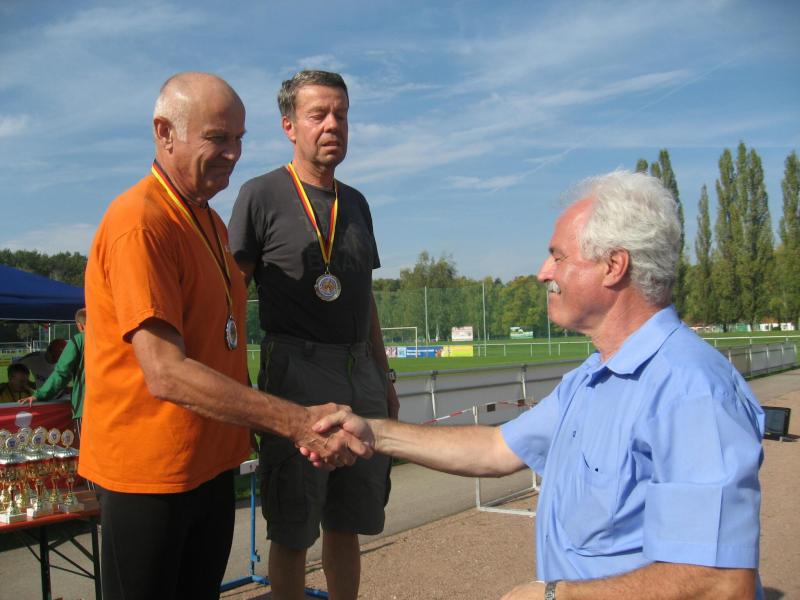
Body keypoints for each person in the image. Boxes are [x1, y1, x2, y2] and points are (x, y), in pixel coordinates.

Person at [306, 170, 765, 600]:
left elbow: (722, 581)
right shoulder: (590, 379)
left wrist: (556, 596)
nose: (545, 272)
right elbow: (495, 449)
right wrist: (374, 431)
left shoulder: (691, 390)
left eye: (558, 256)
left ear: (614, 266)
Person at [80, 71, 365, 600]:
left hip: (209, 466)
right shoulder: (140, 222)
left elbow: (221, 340)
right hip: (151, 475)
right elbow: (165, 373)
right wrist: (294, 422)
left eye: (238, 138)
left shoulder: (207, 221)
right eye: (217, 138)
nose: (233, 153)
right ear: (165, 133)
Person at [228, 69, 397, 600]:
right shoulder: (260, 195)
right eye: (318, 114)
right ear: (289, 126)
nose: (332, 125)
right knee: (294, 525)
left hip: (359, 370)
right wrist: (240, 390)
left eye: (340, 114)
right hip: (295, 372)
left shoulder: (357, 203)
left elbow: (364, 297)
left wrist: (384, 374)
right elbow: (230, 298)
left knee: (350, 518)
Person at [19, 308, 88, 426]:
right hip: (116, 406)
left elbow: (62, 373)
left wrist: (39, 395)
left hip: (86, 408)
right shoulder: (113, 338)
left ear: (80, 326)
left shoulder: (79, 341)